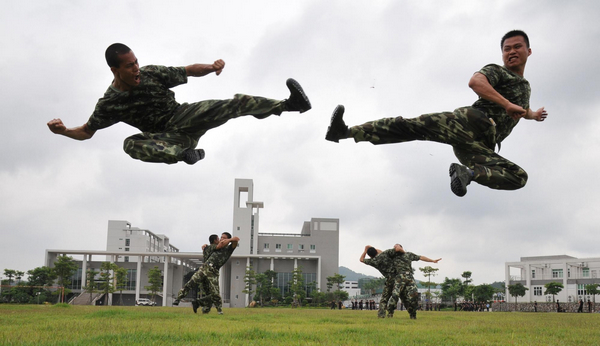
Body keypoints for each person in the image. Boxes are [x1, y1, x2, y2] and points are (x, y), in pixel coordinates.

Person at [325, 30, 547, 197]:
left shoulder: (525, 88)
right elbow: (476, 82)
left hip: (480, 145)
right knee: (411, 126)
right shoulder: (497, 71)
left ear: (528, 51)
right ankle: (344, 132)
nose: (511, 52)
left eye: (517, 47)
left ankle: (467, 174)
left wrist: (533, 114)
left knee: (519, 177)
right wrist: (506, 104)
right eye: (507, 49)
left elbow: (522, 110)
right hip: (469, 123)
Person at [47, 43, 311, 165]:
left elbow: (187, 71)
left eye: (137, 62)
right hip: (168, 140)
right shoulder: (109, 104)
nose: (137, 69)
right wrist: (64, 131)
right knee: (129, 144)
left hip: (183, 116)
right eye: (130, 66)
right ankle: (185, 156)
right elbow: (87, 131)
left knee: (232, 104)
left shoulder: (150, 73)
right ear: (115, 70)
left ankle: (290, 105)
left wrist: (211, 66)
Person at [174, 232, 239, 314]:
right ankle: (178, 298)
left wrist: (228, 240)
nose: (221, 239)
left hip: (213, 271)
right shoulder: (216, 246)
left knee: (214, 292)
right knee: (191, 282)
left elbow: (236, 239)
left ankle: (215, 309)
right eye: (221, 237)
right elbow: (215, 246)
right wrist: (206, 246)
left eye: (223, 237)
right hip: (205, 267)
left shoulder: (229, 249)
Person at [360, 244, 404, 318]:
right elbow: (379, 251)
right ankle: (410, 313)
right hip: (399, 278)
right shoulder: (384, 254)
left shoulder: (373, 261)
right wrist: (370, 247)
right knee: (401, 297)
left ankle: (381, 315)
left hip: (390, 280)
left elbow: (361, 259)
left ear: (370, 256)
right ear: (376, 251)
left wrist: (365, 251)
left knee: (384, 299)